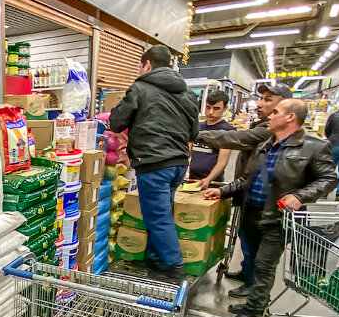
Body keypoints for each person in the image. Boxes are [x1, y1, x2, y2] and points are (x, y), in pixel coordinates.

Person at [203, 99, 338, 317]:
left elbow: (329, 179)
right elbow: (249, 179)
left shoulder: (313, 148)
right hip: (251, 212)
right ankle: (256, 303)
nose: (269, 116)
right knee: (254, 262)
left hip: (278, 219)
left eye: (275, 112)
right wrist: (222, 191)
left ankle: (253, 314)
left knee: (265, 267)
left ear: (290, 118)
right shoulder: (265, 145)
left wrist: (301, 196)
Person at [110, 45, 199, 282]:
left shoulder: (140, 88)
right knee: (162, 213)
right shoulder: (188, 93)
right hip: (179, 163)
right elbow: (195, 131)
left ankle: (175, 268)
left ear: (147, 65)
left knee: (158, 217)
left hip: (154, 162)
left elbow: (117, 122)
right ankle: (155, 260)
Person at [196, 83, 293, 299]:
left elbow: (236, 139)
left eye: (268, 99)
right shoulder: (264, 127)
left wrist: (197, 133)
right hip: (249, 194)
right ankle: (247, 274)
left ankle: (253, 293)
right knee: (246, 239)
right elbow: (250, 175)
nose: (259, 103)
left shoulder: (273, 131)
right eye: (262, 98)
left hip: (269, 205)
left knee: (261, 252)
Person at [189, 91, 235, 188]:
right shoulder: (197, 126)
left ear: (225, 108)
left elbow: (222, 161)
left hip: (213, 182)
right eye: (208, 107)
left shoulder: (227, 131)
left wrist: (209, 179)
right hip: (191, 179)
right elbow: (187, 151)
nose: (210, 112)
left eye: (216, 109)